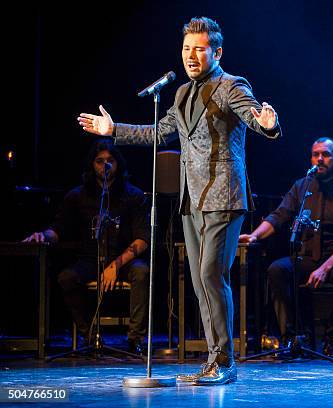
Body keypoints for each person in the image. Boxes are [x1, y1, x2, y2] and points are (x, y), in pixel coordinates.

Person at [77, 17, 280, 385]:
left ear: (216, 52)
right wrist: (115, 130)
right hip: (192, 198)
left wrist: (266, 123)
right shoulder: (182, 93)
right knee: (201, 282)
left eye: (199, 48)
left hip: (224, 195)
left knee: (210, 274)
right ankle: (213, 359)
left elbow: (253, 116)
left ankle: (225, 362)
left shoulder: (231, 85)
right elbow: (161, 133)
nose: (191, 55)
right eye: (186, 48)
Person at [239, 138, 333, 358]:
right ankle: (296, 336)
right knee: (277, 270)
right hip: (307, 257)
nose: (319, 159)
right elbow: (279, 217)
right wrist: (254, 235)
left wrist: (325, 267)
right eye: (315, 154)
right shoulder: (302, 186)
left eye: (325, 154)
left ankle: (331, 338)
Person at [23, 141, 150, 355]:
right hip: (90, 260)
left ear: (118, 164)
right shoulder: (78, 196)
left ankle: (135, 339)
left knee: (142, 271)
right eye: (100, 161)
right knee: (66, 278)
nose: (105, 166)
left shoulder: (133, 196)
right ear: (92, 165)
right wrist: (42, 235)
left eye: (110, 161)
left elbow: (142, 239)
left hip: (123, 259)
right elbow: (59, 229)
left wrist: (115, 265)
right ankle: (90, 335)